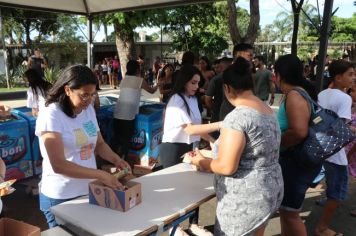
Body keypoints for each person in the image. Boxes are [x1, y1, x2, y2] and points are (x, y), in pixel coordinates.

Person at [188, 57, 283, 236]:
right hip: (270, 188)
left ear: (227, 88)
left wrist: (201, 161)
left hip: (245, 199)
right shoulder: (266, 109)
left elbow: (226, 166)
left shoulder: (237, 117)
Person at [36, 65, 131, 228]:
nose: (89, 100)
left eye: (92, 94)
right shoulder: (51, 114)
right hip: (61, 196)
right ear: (67, 90)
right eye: (84, 95)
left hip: (88, 191)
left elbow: (99, 144)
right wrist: (101, 175)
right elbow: (58, 165)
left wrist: (117, 160)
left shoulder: (87, 110)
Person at [161, 64, 220, 236]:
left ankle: (194, 224)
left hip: (191, 146)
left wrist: (213, 141)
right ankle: (175, 227)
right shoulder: (176, 100)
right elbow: (190, 129)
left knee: (195, 188)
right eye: (193, 83)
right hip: (173, 147)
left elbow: (197, 127)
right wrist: (221, 124)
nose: (197, 86)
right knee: (175, 189)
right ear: (184, 81)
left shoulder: (193, 99)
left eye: (198, 83)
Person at [275, 54, 321, 236]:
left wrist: (277, 141)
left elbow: (300, 132)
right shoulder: (299, 92)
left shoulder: (294, 95)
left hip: (294, 162)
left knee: (290, 213)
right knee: (287, 211)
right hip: (294, 161)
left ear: (278, 75)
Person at [315, 59, 354, 236]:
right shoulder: (345, 98)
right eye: (350, 74)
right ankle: (322, 228)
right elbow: (342, 129)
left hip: (320, 147)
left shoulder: (323, 93)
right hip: (336, 153)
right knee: (337, 192)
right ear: (338, 77)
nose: (353, 78)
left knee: (327, 182)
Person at [112, 60, 158, 166]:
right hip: (128, 115)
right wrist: (158, 84)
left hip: (117, 113)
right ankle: (123, 164)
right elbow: (151, 91)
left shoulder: (124, 80)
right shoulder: (139, 81)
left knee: (118, 139)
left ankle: (115, 161)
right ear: (138, 69)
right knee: (126, 141)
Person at [219, 43, 254, 120]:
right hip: (230, 116)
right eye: (249, 55)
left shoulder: (247, 72)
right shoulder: (229, 73)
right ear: (238, 54)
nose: (252, 58)